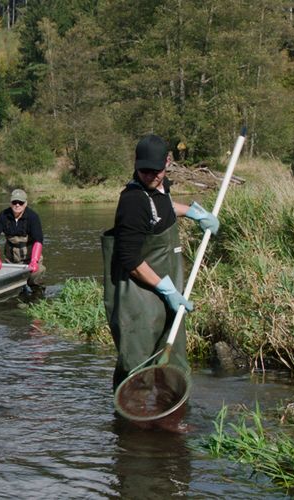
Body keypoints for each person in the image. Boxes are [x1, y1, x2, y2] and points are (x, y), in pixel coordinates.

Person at [102, 134, 219, 391]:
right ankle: (131, 426)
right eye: (144, 171)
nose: (151, 176)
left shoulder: (160, 187)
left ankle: (172, 421)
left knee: (173, 364)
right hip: (138, 297)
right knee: (137, 368)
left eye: (157, 170)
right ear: (136, 165)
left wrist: (192, 212)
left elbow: (161, 208)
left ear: (167, 163)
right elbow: (130, 260)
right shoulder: (132, 201)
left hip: (164, 294)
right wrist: (166, 289)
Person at [0, 188, 45, 289]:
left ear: (25, 203)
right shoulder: (3, 215)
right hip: (11, 261)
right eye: (14, 202)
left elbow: (38, 240)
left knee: (36, 277)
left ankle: (37, 294)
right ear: (10, 203)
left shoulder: (33, 217)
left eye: (20, 202)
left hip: (30, 260)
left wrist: (34, 261)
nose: (17, 205)